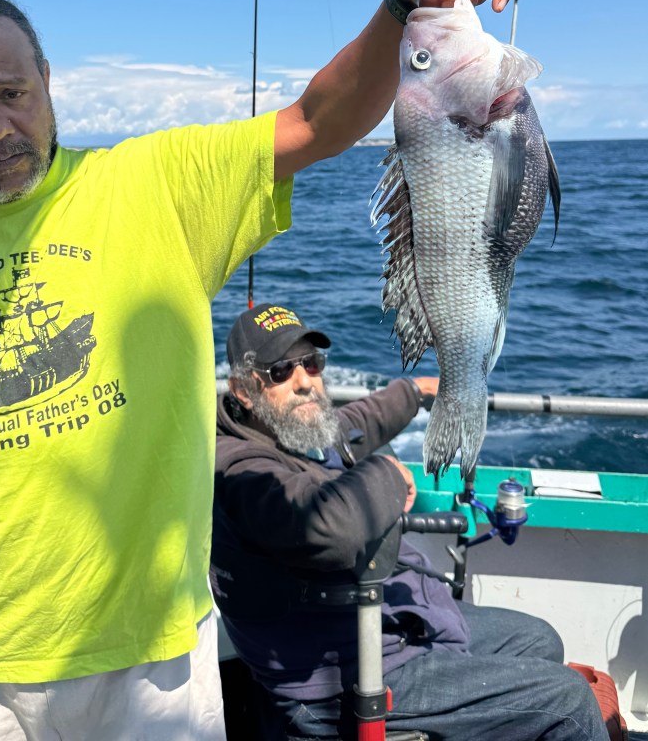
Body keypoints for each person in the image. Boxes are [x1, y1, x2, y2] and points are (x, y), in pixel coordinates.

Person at [0, 0, 521, 741]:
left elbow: (319, 122)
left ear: (47, 79)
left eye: (12, 92)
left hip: (153, 657)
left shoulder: (156, 183)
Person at [212, 302, 610, 741]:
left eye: (312, 362)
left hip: (377, 624)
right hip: (338, 676)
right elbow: (325, 528)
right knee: (569, 700)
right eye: (280, 371)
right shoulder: (238, 468)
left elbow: (353, 426)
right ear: (244, 390)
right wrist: (386, 474)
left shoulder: (288, 432)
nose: (305, 381)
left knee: (539, 639)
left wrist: (413, 392)